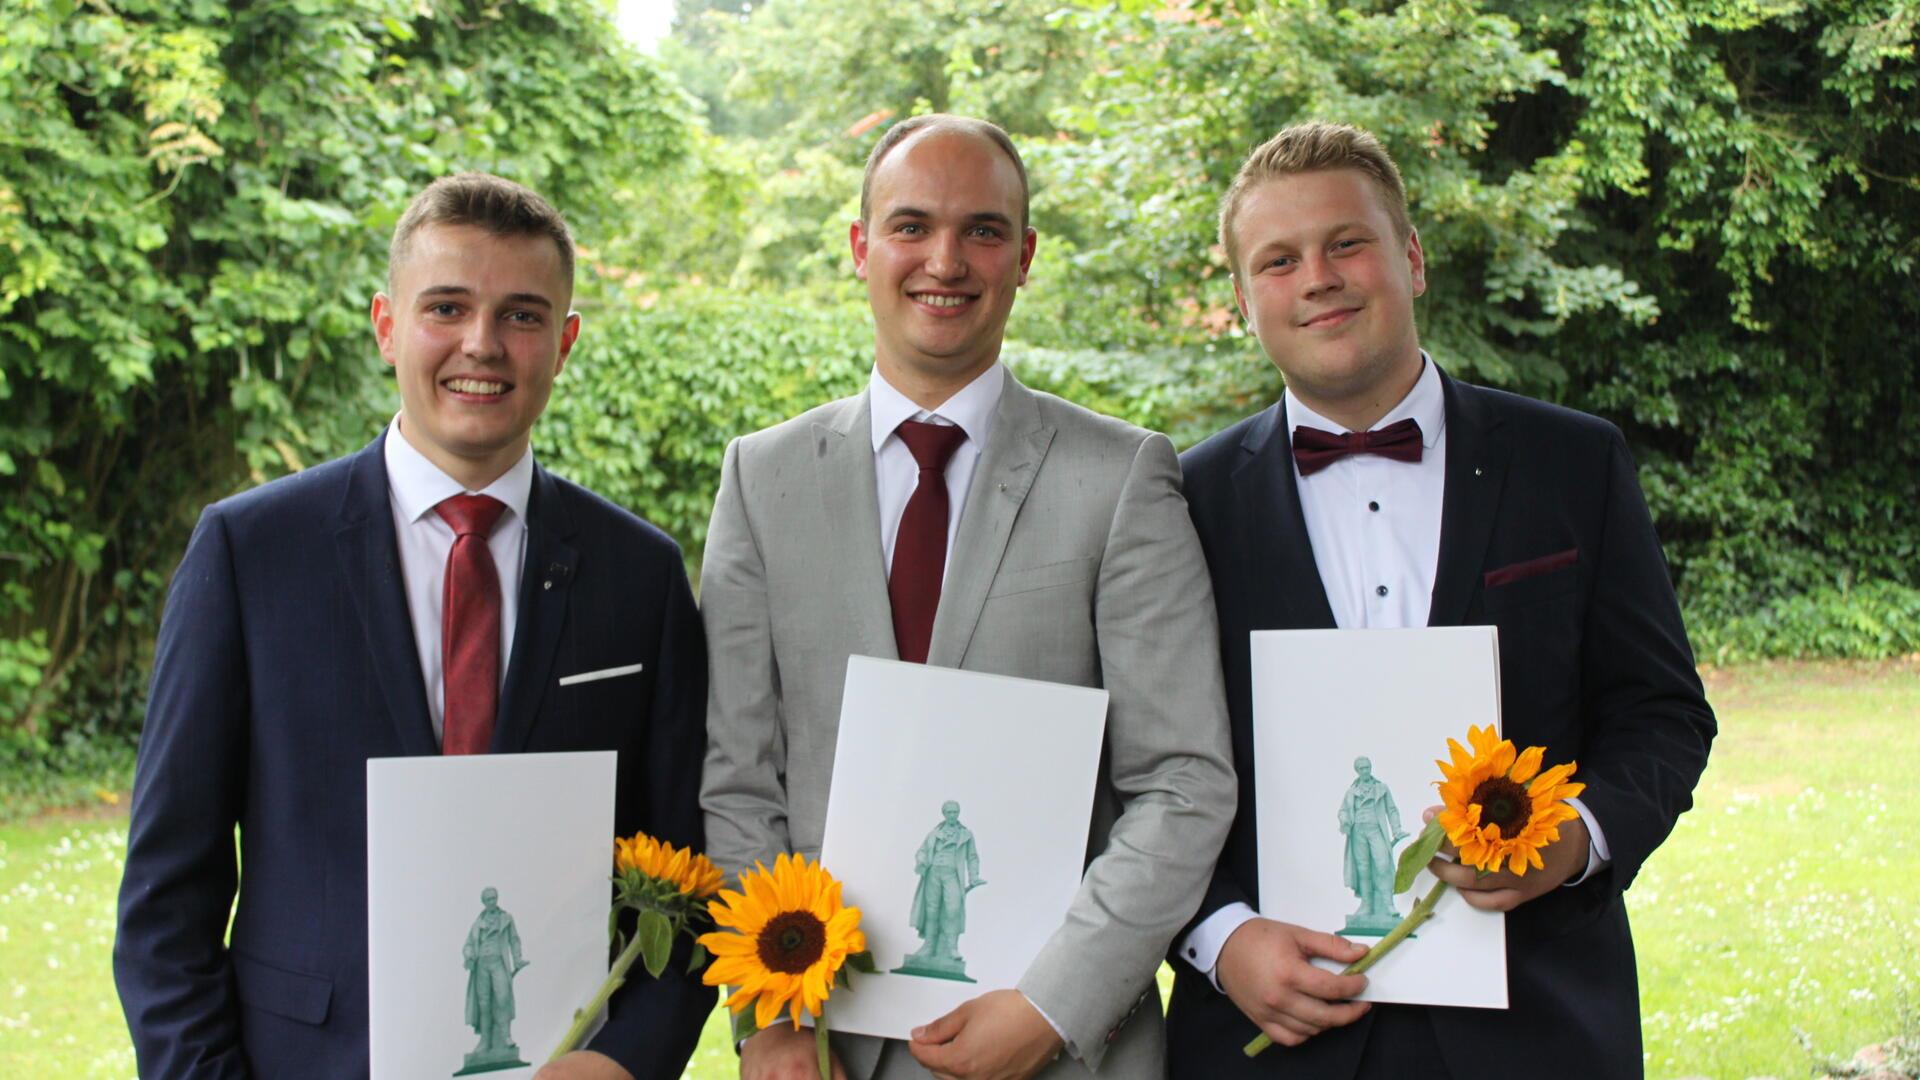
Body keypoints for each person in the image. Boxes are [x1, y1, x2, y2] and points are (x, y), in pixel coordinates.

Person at [113, 173, 713, 1080]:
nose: (482, 344)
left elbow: (688, 883)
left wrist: (625, 1065)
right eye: (447, 307)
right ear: (387, 324)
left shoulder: (642, 575)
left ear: (565, 343)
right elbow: (168, 900)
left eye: (521, 315)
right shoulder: (250, 552)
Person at [1165, 122, 1716, 1078]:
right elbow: (1144, 766)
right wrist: (1219, 938)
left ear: (1410, 259)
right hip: (1274, 1040)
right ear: (1246, 300)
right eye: (1280, 260)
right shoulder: (1182, 501)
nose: (1319, 278)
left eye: (1348, 243)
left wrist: (1573, 842)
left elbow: (1662, 716)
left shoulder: (1573, 463)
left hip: (1540, 1026)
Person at [699, 114, 1237, 1080]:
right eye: (910, 226)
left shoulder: (1122, 478)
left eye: (983, 230)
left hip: (1062, 1051)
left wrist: (1052, 1005)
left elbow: (1183, 781)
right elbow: (741, 778)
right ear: (861, 246)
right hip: (822, 1048)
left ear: (1024, 257)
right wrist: (767, 1013)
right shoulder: (760, 478)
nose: (944, 259)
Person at [899, 801, 985, 977]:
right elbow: (922, 851)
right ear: (944, 813)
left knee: (953, 910)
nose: (953, 815)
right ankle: (929, 947)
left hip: (952, 875)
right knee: (932, 911)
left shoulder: (966, 834)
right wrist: (922, 862)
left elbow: (972, 857)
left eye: (955, 812)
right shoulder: (934, 833)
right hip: (933, 874)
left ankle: (952, 947)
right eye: (950, 812)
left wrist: (974, 876)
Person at [463, 887, 531, 1069]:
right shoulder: (478, 923)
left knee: (503, 998)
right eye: (488, 900)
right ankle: (485, 1041)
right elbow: (468, 944)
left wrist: (517, 958)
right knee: (484, 1004)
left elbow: (514, 940)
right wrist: (469, 956)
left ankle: (505, 1035)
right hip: (481, 967)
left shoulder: (506, 918)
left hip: (498, 964)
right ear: (483, 902)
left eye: (494, 898)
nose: (492, 902)